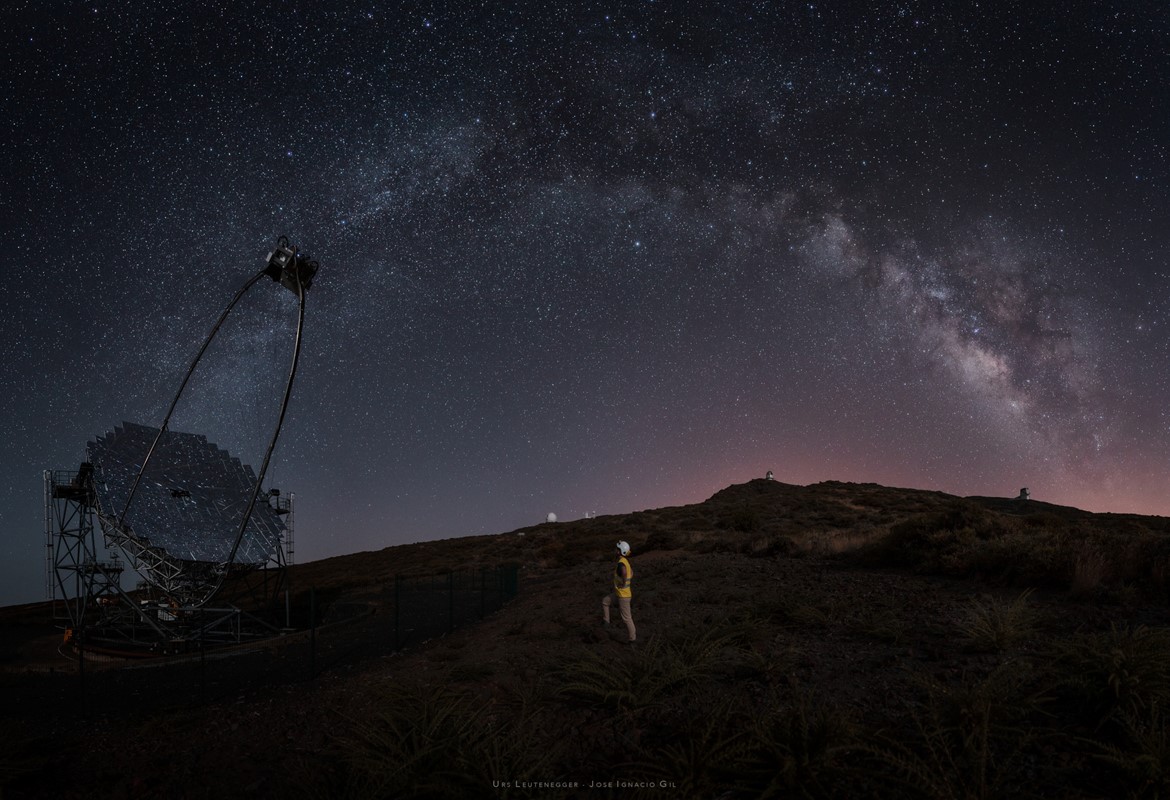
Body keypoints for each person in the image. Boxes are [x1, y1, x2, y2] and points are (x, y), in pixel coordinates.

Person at [602, 540, 636, 643]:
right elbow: (631, 572)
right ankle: (606, 623)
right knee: (605, 601)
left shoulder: (621, 563)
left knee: (626, 618)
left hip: (623, 596)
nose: (615, 550)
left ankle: (632, 639)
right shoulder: (625, 561)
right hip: (619, 594)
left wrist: (624, 582)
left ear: (620, 551)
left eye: (617, 549)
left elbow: (625, 573)